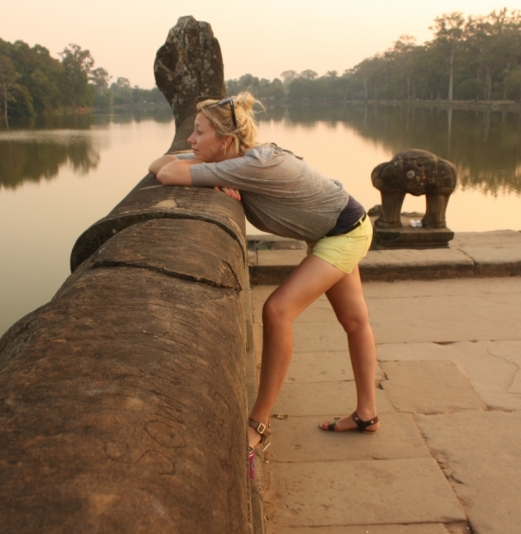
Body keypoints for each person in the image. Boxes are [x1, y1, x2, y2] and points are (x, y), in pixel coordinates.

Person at [148, 92, 379, 458]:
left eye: (198, 133)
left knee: (277, 311)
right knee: (354, 321)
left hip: (345, 231)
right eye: (192, 132)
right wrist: (206, 166)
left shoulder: (254, 165)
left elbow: (167, 172)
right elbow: (158, 165)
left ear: (225, 141)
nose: (190, 140)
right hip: (332, 227)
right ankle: (367, 415)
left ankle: (259, 421)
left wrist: (204, 170)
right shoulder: (237, 159)